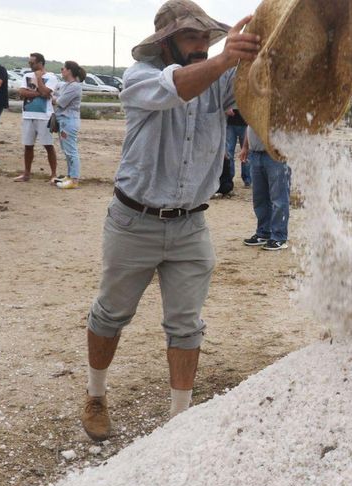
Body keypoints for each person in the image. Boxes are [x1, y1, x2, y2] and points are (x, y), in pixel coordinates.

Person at [79, 0, 261, 442]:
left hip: (191, 225)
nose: (201, 45)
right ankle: (95, 395)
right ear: (166, 43)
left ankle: (180, 421)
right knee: (111, 314)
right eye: (190, 37)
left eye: (205, 37)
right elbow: (177, 87)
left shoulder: (218, 75)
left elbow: (262, 90)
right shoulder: (140, 78)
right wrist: (224, 58)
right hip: (133, 220)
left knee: (186, 323)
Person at [240, 127, 291, 251]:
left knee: (279, 198)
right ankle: (263, 232)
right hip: (255, 153)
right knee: (260, 198)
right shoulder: (255, 108)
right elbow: (250, 125)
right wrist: (245, 147)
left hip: (277, 154)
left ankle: (279, 237)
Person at [15, 52, 58, 183]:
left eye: (32, 63)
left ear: (40, 63)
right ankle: (26, 173)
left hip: (44, 116)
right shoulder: (27, 75)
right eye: (29, 62)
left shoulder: (51, 77)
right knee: (28, 145)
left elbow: (46, 93)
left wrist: (39, 80)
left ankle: (53, 174)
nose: (30, 65)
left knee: (48, 145)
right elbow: (22, 92)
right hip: (28, 114)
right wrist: (39, 93)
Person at [54, 61, 85, 190]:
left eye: (63, 68)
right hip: (64, 120)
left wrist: (53, 98)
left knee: (71, 150)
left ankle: (74, 179)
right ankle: (70, 175)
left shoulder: (75, 86)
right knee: (66, 150)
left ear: (69, 71)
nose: (62, 71)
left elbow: (61, 102)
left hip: (69, 121)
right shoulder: (66, 85)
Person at [225, 106, 248, 186]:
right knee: (229, 152)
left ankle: (247, 179)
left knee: (246, 153)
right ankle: (228, 179)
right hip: (230, 121)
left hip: (246, 121)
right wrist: (226, 107)